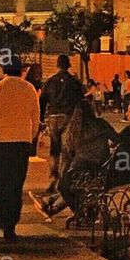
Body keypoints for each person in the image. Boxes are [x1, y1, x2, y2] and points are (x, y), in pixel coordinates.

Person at [0, 55, 41, 239]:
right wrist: (30, 137)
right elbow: (36, 117)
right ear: (21, 71)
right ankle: (10, 226)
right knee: (15, 185)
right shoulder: (29, 89)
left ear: (4, 70)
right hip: (21, 145)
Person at [30, 98, 117, 219]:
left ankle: (77, 211)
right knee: (74, 185)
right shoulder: (101, 123)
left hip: (81, 167)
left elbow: (69, 152)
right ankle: (50, 205)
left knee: (65, 185)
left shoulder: (74, 129)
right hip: (102, 167)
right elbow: (116, 139)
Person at [39, 54, 85, 192]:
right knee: (67, 148)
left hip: (53, 117)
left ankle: (53, 176)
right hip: (68, 117)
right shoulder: (74, 82)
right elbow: (81, 101)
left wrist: (41, 118)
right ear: (69, 65)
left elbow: (42, 100)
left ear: (57, 65)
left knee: (54, 148)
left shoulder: (50, 81)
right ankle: (64, 178)